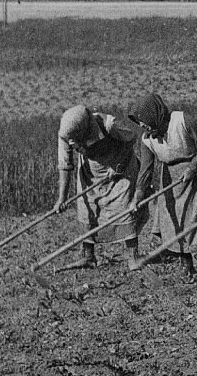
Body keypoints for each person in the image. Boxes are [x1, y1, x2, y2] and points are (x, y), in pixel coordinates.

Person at [128, 93, 197, 276]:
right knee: (174, 219)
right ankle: (186, 262)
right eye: (139, 123)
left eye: (143, 120)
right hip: (169, 178)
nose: (142, 126)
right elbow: (145, 170)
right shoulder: (147, 139)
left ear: (153, 114)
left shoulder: (182, 121)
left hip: (196, 175)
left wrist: (192, 168)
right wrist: (138, 196)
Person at [54, 105, 143, 271]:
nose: (72, 142)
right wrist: (62, 198)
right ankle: (88, 256)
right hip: (91, 170)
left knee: (124, 208)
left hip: (119, 167)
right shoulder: (64, 134)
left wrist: (119, 164)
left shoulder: (108, 124)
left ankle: (133, 256)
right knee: (88, 207)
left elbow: (131, 138)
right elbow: (64, 165)